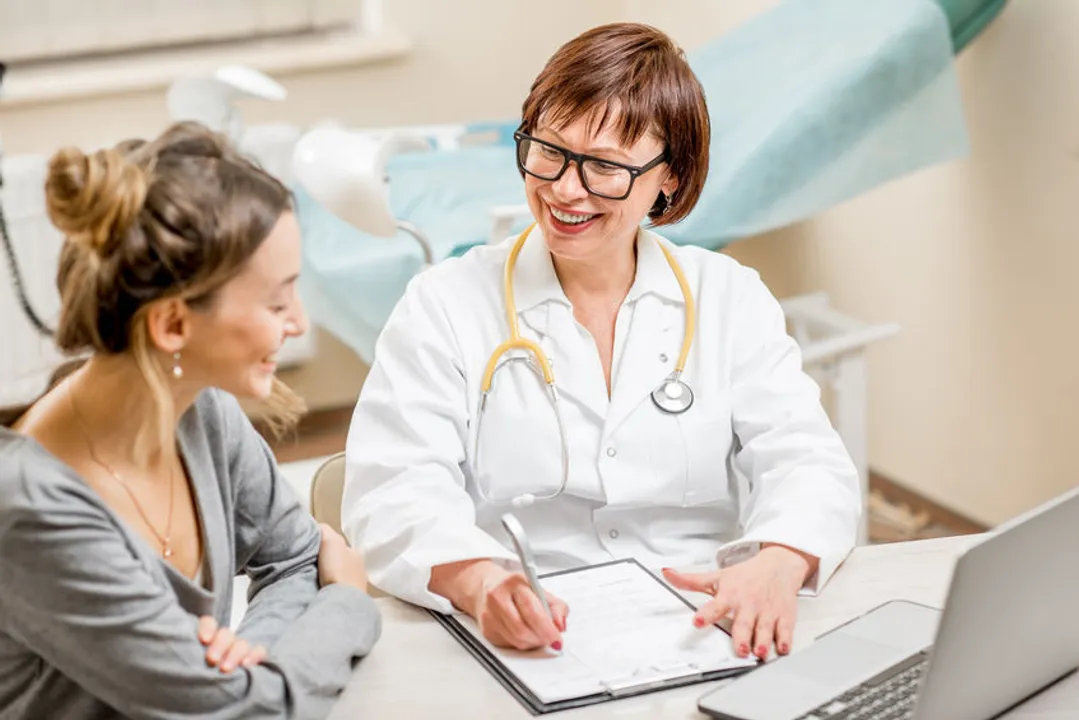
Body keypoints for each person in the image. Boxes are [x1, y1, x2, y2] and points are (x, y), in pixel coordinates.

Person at [342, 23, 859, 662]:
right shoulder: (445, 303)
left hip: (706, 621)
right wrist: (482, 582)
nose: (564, 189)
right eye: (548, 151)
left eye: (605, 168)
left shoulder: (728, 297)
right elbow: (392, 489)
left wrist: (778, 561)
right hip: (527, 631)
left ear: (668, 177)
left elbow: (807, 461)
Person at [0, 122, 380, 720]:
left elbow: (294, 560)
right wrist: (350, 603)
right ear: (173, 325)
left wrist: (252, 656)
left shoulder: (200, 409)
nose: (299, 323)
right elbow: (250, 712)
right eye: (276, 302)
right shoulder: (32, 512)